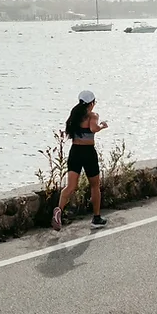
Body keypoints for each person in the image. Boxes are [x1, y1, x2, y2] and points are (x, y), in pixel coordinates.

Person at [52, 91, 110, 230]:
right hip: (88, 153)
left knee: (71, 186)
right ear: (92, 103)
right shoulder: (92, 116)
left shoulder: (74, 116)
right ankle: (96, 218)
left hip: (75, 152)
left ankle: (59, 209)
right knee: (95, 186)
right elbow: (93, 128)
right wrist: (102, 126)